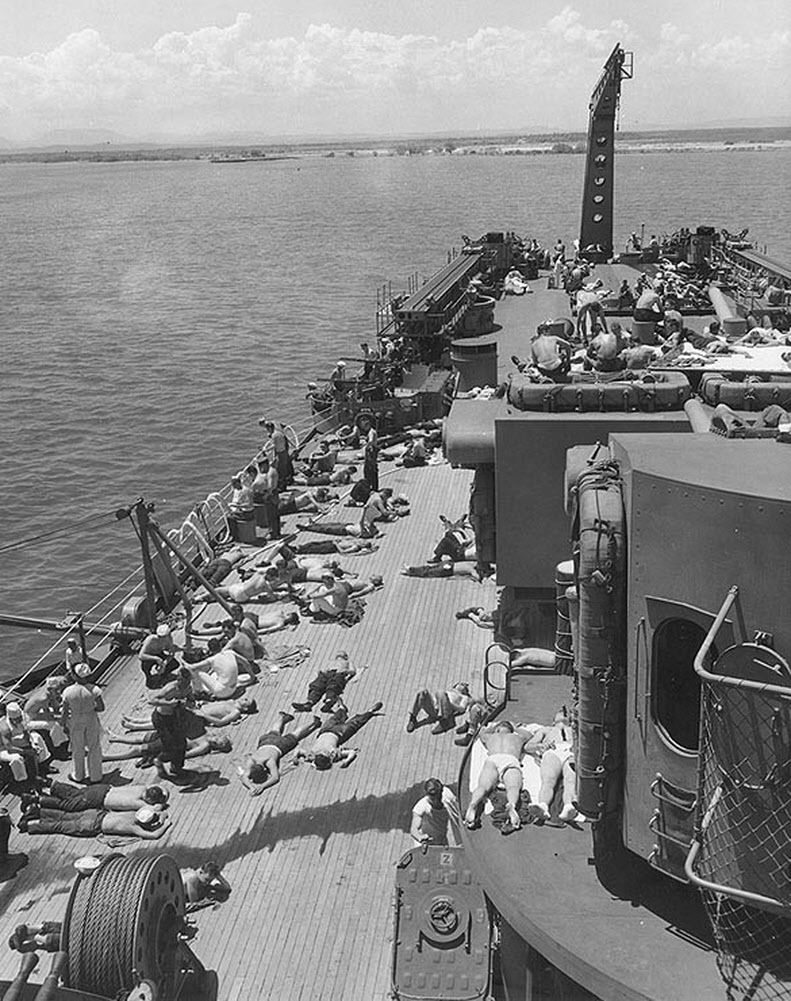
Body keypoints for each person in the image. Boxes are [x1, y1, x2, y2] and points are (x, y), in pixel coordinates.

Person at [465, 721, 531, 832]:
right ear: (511, 730)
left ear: (497, 729)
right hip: (510, 759)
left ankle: (473, 804)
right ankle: (512, 805)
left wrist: (492, 727)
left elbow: (481, 732)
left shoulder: (491, 737)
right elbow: (529, 736)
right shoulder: (517, 738)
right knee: (513, 787)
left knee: (483, 787)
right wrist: (515, 728)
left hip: (493, 759)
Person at [238, 711, 322, 794]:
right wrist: (252, 787)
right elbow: (244, 777)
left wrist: (261, 786)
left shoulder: (269, 761)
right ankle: (283, 717)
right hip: (265, 741)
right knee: (275, 730)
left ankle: (314, 723)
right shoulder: (252, 760)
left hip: (279, 746)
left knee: (295, 734)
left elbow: (275, 777)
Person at [294, 702, 384, 770]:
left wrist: (295, 757)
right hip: (339, 733)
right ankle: (369, 712)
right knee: (354, 723)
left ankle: (342, 709)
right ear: (328, 759)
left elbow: (298, 750)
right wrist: (347, 761)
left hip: (324, 730)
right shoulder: (334, 755)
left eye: (321, 754)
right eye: (325, 754)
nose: (324, 752)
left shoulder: (312, 754)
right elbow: (351, 752)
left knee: (335, 718)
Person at [61, 664, 104, 785]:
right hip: (90, 718)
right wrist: (91, 708)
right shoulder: (95, 690)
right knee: (94, 747)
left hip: (75, 719)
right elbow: (101, 708)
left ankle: (78, 775)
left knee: (77, 748)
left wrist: (63, 724)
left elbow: (64, 711)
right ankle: (96, 776)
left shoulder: (67, 691)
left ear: (75, 676)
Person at [19, 806, 172, 840]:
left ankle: (39, 810)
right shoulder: (134, 827)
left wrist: (161, 814)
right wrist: (165, 824)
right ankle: (29, 825)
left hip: (95, 814)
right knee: (59, 826)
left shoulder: (134, 814)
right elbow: (154, 835)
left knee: (64, 815)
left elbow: (156, 809)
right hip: (93, 826)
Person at [23, 781, 169, 814]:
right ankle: (36, 799)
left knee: (76, 792)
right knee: (70, 805)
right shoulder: (140, 803)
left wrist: (163, 792)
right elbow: (156, 809)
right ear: (150, 800)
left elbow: (162, 786)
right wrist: (162, 803)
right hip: (98, 799)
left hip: (103, 788)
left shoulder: (142, 787)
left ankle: (50, 784)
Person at [291, 652, 361, 713]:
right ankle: (309, 703)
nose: (339, 655)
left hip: (338, 673)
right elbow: (323, 669)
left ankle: (329, 702)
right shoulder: (330, 661)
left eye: (341, 654)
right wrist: (321, 672)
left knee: (332, 686)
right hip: (326, 674)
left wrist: (345, 671)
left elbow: (353, 671)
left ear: (345, 656)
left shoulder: (348, 662)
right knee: (317, 686)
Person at [406, 682, 484, 735]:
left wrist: (449, 703)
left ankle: (444, 720)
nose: (463, 685)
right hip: (435, 707)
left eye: (464, 686)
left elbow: (462, 709)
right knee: (422, 691)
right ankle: (413, 719)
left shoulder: (464, 697)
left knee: (440, 692)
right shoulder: (449, 692)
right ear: (455, 686)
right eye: (461, 684)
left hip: (447, 710)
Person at [102, 732, 232, 764]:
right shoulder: (206, 734)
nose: (218, 739)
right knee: (143, 738)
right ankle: (116, 738)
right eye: (222, 739)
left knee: (137, 750)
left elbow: (187, 754)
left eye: (220, 742)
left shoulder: (205, 746)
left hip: (170, 744)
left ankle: (107, 757)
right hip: (171, 736)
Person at [0, 702, 49, 782]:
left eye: (20, 718)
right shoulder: (4, 727)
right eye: (17, 719)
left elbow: (26, 733)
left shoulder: (21, 718)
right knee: (16, 758)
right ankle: (23, 782)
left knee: (37, 737)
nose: (20, 720)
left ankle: (42, 765)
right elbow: (9, 748)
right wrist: (27, 751)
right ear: (11, 719)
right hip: (3, 748)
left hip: (15, 740)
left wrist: (32, 745)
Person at [24, 676, 69, 756]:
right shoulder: (43, 698)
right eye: (56, 689)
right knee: (53, 725)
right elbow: (47, 715)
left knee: (57, 721)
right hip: (29, 719)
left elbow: (54, 707)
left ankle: (64, 740)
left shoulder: (47, 692)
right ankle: (58, 747)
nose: (58, 691)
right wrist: (60, 717)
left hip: (36, 714)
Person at [410, 778, 461, 846]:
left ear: (441, 791)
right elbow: (414, 829)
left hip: (441, 841)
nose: (436, 801)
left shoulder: (448, 796)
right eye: (432, 798)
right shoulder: (421, 807)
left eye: (438, 796)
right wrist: (420, 837)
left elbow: (458, 814)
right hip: (425, 843)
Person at [252, 457, 280, 539]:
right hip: (272, 494)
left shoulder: (271, 473)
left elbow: (270, 486)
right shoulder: (270, 470)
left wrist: (266, 495)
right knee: (273, 514)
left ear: (264, 465)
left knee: (272, 515)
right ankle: (275, 532)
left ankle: (274, 533)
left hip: (271, 495)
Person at [262, 421, 293, 488]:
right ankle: (286, 482)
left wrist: (265, 450)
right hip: (284, 452)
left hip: (280, 454)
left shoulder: (274, 435)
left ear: (269, 429)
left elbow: (273, 445)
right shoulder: (279, 433)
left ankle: (282, 486)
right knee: (284, 468)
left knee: (280, 470)